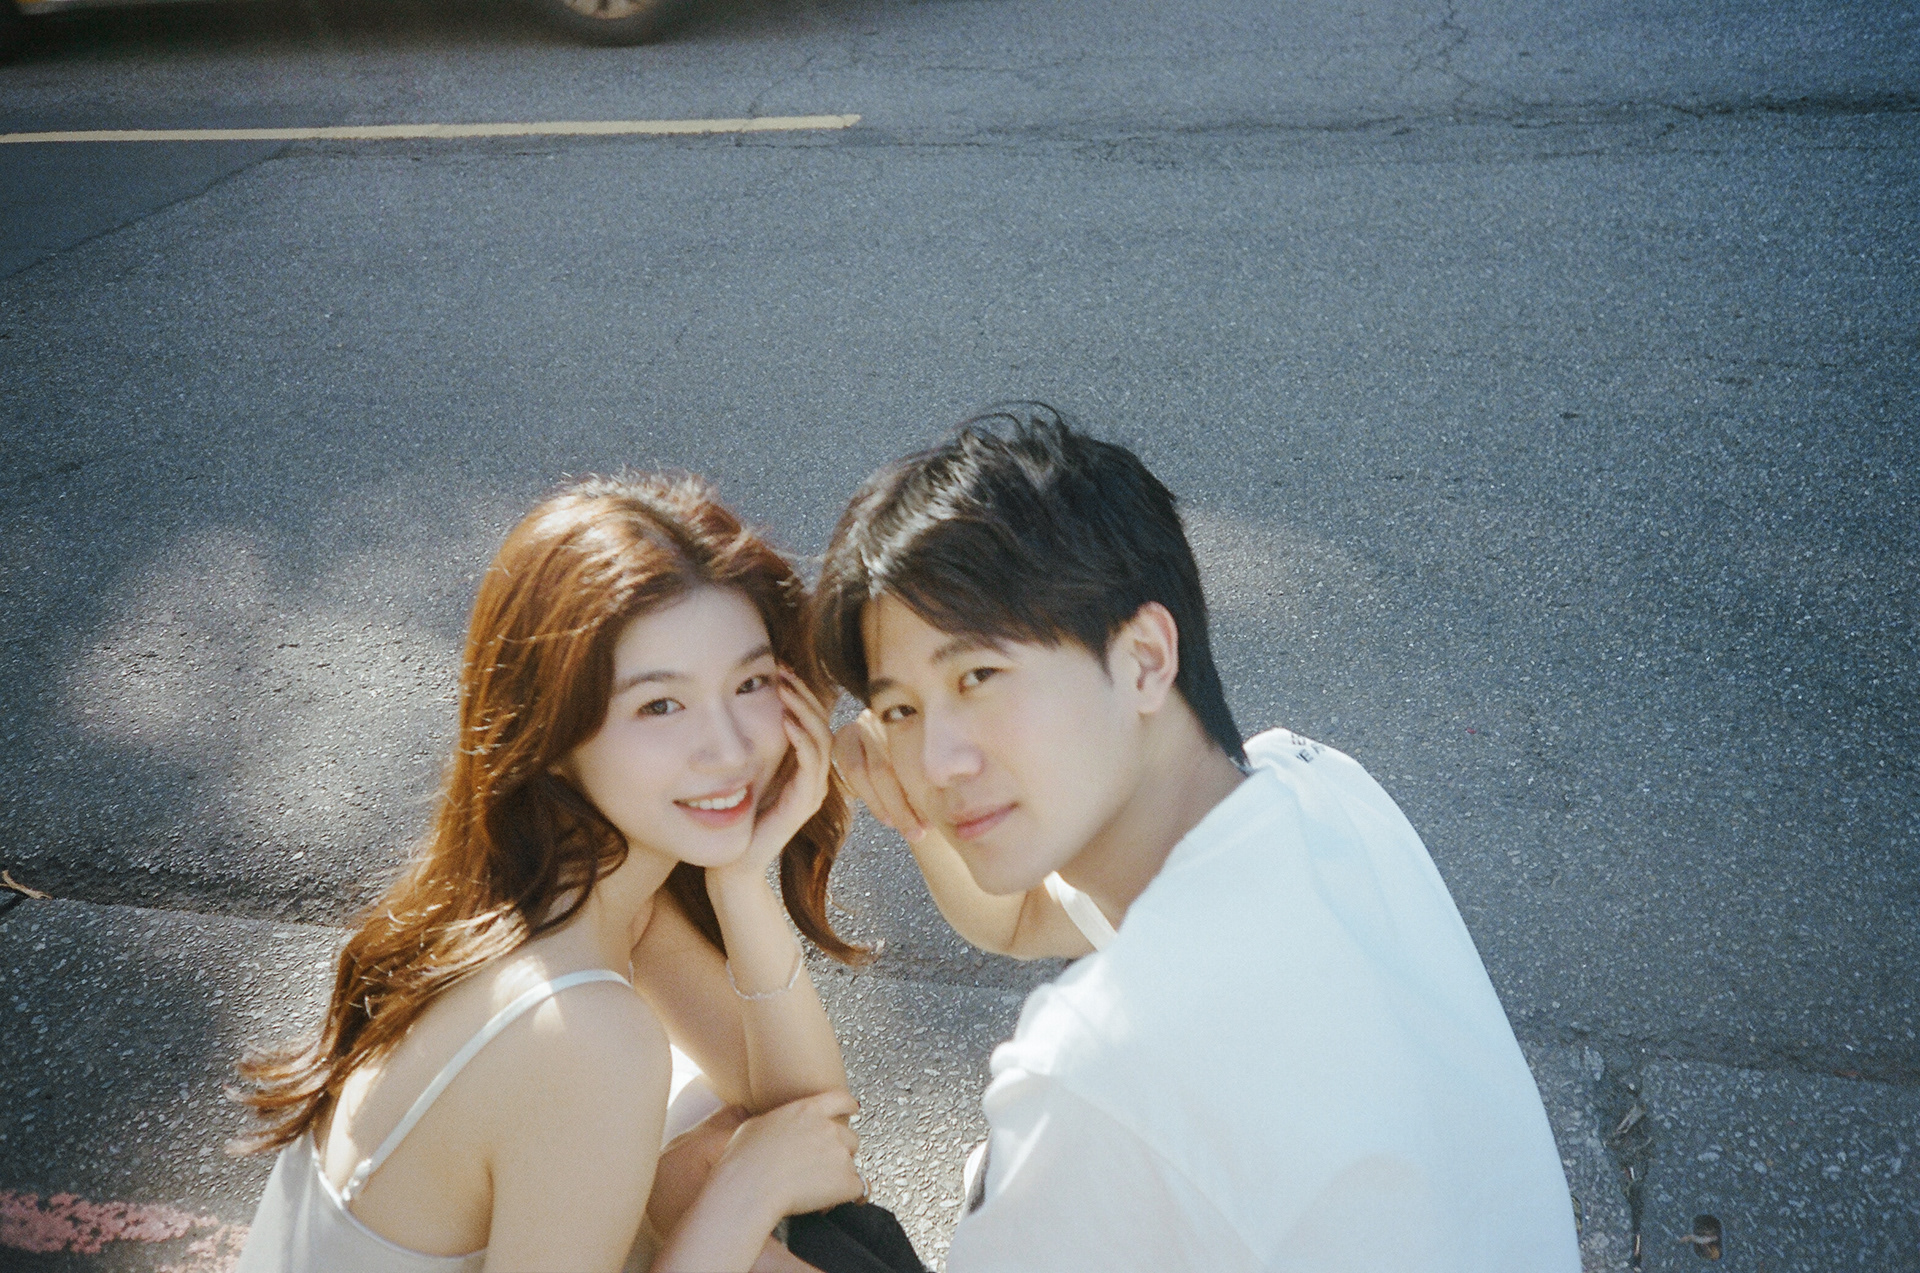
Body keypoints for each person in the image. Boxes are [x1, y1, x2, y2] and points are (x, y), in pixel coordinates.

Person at [816, 406, 1582, 1271]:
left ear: (1145, 658)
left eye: (978, 675)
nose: (935, 759)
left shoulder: (1097, 1065)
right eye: (901, 709)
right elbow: (1021, 919)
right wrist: (918, 815)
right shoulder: (1316, 786)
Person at [232, 473, 921, 1273]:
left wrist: (739, 880)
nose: (730, 747)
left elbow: (808, 1122)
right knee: (722, 1172)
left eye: (750, 683)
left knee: (712, 1157)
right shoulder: (582, 1030)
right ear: (551, 728)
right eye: (660, 705)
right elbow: (796, 1153)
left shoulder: (554, 885)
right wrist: (745, 1188)